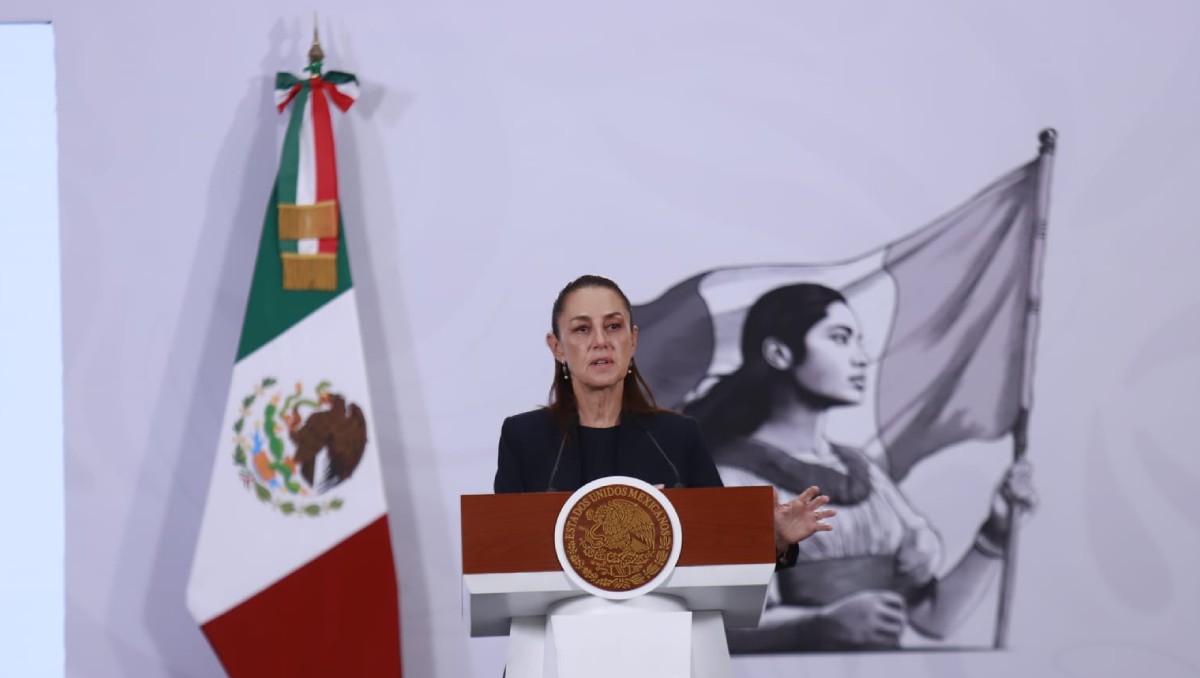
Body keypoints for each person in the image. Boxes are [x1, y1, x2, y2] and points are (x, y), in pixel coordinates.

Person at [683, 283, 1037, 652]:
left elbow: (933, 618)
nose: (860, 357)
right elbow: (712, 630)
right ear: (779, 353)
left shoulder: (865, 474)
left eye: (858, 341)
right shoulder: (726, 478)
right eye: (840, 338)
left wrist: (995, 533)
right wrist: (816, 626)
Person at [493, 274, 836, 565]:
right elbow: (504, 553)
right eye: (582, 330)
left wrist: (774, 540)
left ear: (633, 341)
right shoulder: (524, 437)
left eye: (613, 326)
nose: (600, 341)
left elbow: (724, 550)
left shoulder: (678, 434)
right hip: (563, 630)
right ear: (557, 347)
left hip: (666, 631)